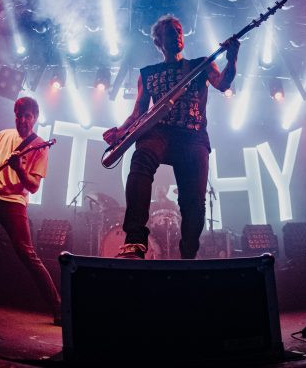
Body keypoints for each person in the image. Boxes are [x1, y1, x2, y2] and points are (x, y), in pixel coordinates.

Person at [103, 15, 240, 259]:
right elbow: (138, 113)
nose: (177, 35)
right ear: (159, 41)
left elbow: (223, 83)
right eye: (170, 32)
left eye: (179, 31)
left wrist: (232, 58)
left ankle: (188, 253)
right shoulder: (148, 74)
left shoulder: (201, 64)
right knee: (141, 160)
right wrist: (120, 132)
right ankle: (135, 240)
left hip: (193, 136)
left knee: (194, 203)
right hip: (159, 132)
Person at [0, 97, 61, 324]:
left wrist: (19, 169)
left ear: (35, 118)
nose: (23, 120)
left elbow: (33, 186)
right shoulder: (3, 135)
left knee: (27, 253)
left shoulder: (40, 145)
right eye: (19, 115)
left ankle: (59, 309)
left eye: (28, 116)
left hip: (13, 202)